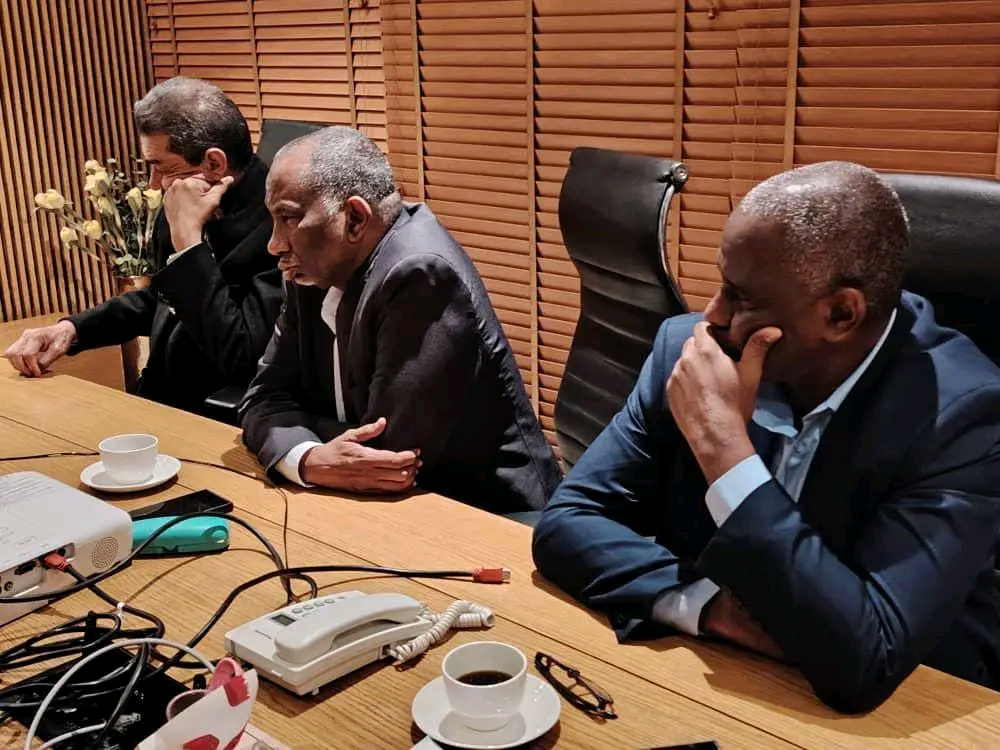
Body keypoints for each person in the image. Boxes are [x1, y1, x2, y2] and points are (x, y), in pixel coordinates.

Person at [532, 161, 1000, 713]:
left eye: (743, 297)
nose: (712, 314)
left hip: (911, 705)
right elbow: (566, 523)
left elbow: (866, 657)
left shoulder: (964, 417)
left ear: (841, 314)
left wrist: (724, 450)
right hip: (719, 675)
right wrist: (709, 608)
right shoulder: (689, 352)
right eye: (720, 282)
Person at [239, 126, 562, 514]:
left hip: (484, 514)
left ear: (354, 218)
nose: (274, 244)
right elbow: (262, 397)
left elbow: (385, 457)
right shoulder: (312, 268)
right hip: (377, 503)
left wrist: (297, 433)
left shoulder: (420, 275)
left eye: (289, 218)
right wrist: (307, 457)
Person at [3, 77, 281, 415]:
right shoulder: (182, 200)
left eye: (161, 166)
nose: (154, 184)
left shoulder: (280, 225)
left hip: (221, 414)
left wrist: (189, 244)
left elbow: (242, 355)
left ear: (214, 163)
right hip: (159, 394)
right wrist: (71, 329)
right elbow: (160, 301)